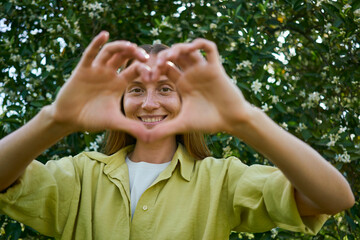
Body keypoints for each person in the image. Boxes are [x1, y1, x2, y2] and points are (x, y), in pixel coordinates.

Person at [0, 31, 355, 240]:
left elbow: (334, 198)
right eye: (136, 89)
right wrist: (56, 120)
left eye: (166, 89)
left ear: (188, 100)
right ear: (120, 100)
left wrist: (245, 120)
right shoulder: (79, 175)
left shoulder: (221, 180)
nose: (150, 103)